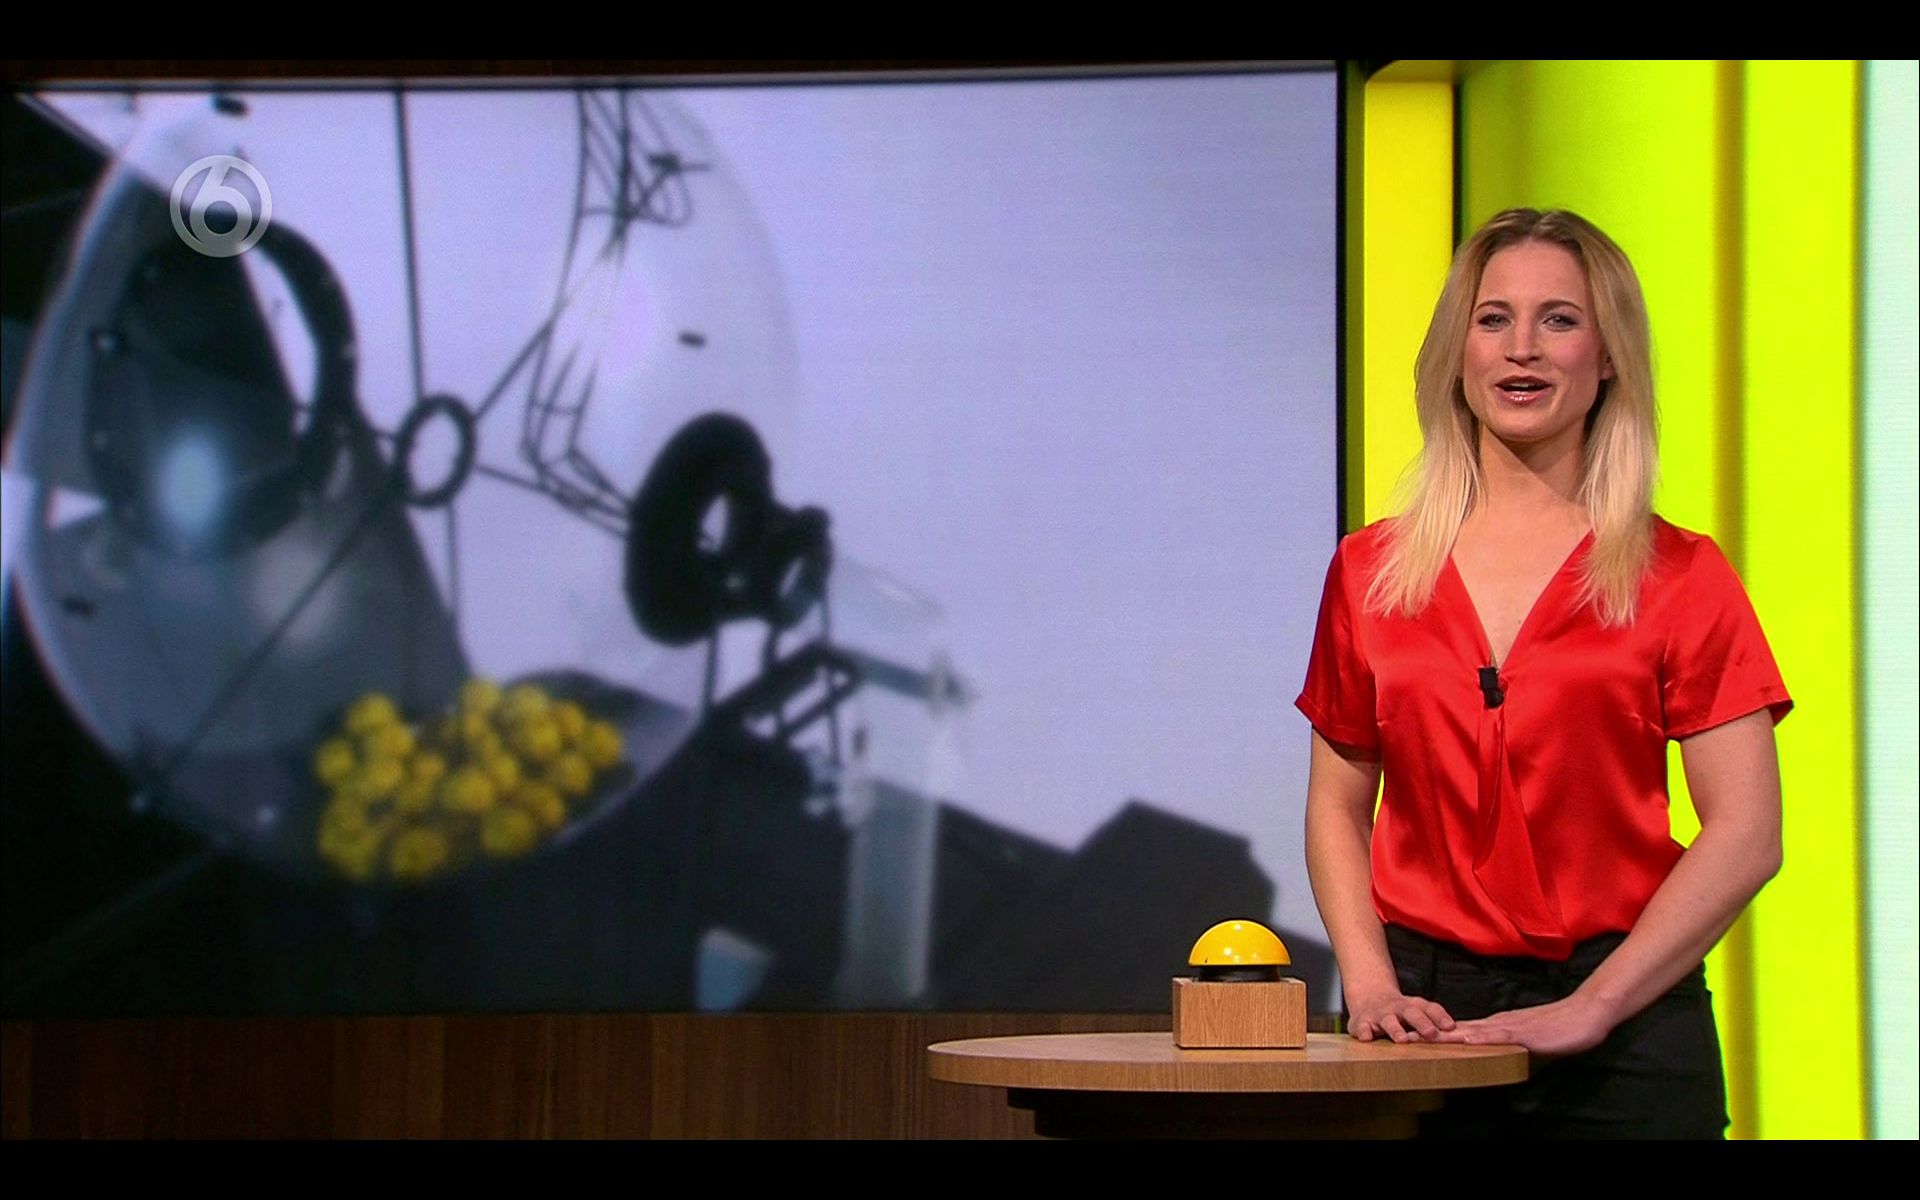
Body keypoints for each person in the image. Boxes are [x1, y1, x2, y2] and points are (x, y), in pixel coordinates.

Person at [1297, 208, 1791, 1139]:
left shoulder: (1682, 574)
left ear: (1608, 357)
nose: (1521, 347)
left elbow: (1747, 832)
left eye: (1559, 320)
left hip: (1629, 1017)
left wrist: (1594, 1007)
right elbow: (1337, 806)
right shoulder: (1371, 571)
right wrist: (1369, 986)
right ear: (1458, 351)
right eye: (1493, 319)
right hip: (1422, 1019)